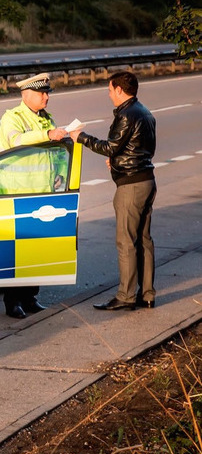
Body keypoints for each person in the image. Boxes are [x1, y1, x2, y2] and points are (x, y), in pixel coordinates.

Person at [70, 70, 156, 311]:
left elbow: (110, 146)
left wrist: (81, 137)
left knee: (126, 241)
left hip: (131, 185)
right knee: (144, 240)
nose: (109, 95)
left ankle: (126, 296)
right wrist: (118, 161)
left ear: (119, 90)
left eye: (110, 90)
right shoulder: (146, 113)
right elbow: (141, 150)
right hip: (147, 179)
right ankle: (147, 294)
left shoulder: (127, 114)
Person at [0, 72, 69, 318]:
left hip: (42, 195)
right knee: (17, 253)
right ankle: (13, 302)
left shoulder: (46, 119)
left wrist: (60, 173)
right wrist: (47, 135)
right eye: (42, 93)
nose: (47, 97)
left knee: (37, 249)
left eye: (47, 93)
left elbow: (57, 152)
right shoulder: (12, 118)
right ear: (27, 95)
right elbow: (16, 142)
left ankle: (30, 298)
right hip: (17, 195)